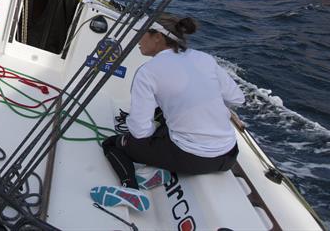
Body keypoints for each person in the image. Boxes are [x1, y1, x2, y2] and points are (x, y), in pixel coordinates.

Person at [91, 14, 244, 212]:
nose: (137, 40)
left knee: (113, 144)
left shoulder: (148, 72)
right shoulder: (204, 58)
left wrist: (148, 129)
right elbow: (238, 99)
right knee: (162, 117)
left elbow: (139, 132)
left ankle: (130, 189)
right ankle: (160, 170)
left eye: (142, 34)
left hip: (194, 159)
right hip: (229, 155)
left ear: (158, 37)